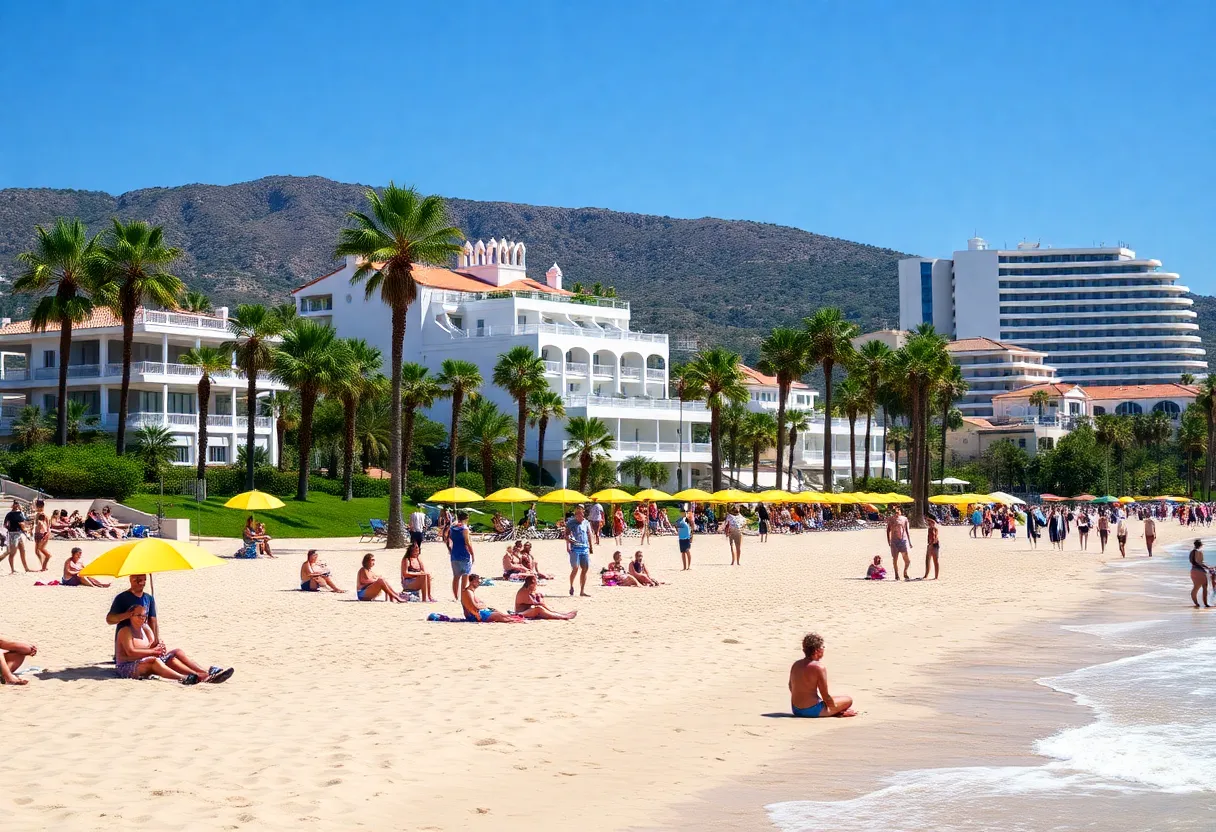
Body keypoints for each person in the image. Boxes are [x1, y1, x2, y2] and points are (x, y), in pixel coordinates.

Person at [106, 576, 234, 683]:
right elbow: (110, 619)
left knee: (173, 655)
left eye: (143, 579)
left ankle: (203, 674)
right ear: (130, 579)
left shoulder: (148, 600)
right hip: (130, 654)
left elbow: (152, 620)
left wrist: (157, 643)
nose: (141, 582)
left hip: (144, 649)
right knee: (154, 660)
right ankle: (190, 677)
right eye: (137, 579)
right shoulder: (122, 603)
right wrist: (127, 615)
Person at [114, 606, 232, 684]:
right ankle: (184, 678)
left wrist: (160, 646)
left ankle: (204, 674)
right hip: (128, 666)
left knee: (176, 653)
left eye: (144, 616)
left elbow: (153, 643)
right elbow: (130, 652)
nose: (142, 618)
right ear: (130, 615)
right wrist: (153, 652)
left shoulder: (145, 628)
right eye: (138, 615)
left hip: (147, 658)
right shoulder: (125, 631)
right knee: (154, 661)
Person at [788, 633, 856, 718]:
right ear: (817, 650)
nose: (824, 649)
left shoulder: (796, 664)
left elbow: (791, 686)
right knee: (848, 700)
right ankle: (834, 712)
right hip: (812, 711)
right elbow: (825, 695)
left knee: (836, 699)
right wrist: (836, 710)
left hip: (796, 710)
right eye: (822, 647)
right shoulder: (819, 667)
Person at [445, 510, 475, 601]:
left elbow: (447, 539)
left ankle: (455, 597)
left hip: (454, 554)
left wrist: (450, 549)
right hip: (464, 554)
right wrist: (472, 554)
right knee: (465, 576)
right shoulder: (465, 528)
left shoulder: (453, 527)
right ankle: (463, 597)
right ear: (467, 518)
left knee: (456, 577)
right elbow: (467, 542)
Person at [566, 504, 593, 597]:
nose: (580, 516)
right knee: (575, 568)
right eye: (578, 514)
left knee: (585, 568)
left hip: (585, 548)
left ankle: (582, 590)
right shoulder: (571, 523)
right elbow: (566, 535)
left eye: (581, 513)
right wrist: (569, 544)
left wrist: (591, 547)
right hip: (575, 548)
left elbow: (589, 534)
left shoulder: (586, 522)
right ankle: (571, 586)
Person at [885, 506, 911, 581]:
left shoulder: (904, 519)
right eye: (895, 510)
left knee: (907, 560)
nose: (896, 511)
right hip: (894, 541)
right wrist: (888, 540)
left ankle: (905, 571)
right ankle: (896, 574)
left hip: (903, 540)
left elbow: (906, 530)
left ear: (900, 511)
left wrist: (909, 542)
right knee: (895, 559)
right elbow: (888, 530)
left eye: (898, 510)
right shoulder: (891, 519)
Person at [4, 500, 30, 572]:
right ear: (13, 505)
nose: (16, 505)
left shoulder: (21, 513)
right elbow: (5, 524)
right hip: (13, 533)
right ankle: (12, 569)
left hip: (19, 533)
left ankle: (26, 568)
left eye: (17, 504)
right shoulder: (9, 514)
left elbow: (25, 521)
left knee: (23, 550)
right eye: (15, 504)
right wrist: (9, 528)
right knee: (13, 552)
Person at [1189, 539, 1211, 608]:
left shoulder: (1192, 552)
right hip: (1200, 571)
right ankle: (1206, 604)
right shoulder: (1200, 552)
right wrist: (1206, 567)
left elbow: (1193, 562)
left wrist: (1206, 567)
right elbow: (1200, 563)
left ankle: (1196, 603)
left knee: (1195, 587)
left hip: (1193, 571)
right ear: (1201, 545)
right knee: (1205, 587)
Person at [923, 515, 940, 580]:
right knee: (929, 560)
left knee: (933, 560)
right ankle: (928, 575)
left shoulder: (933, 529)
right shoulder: (930, 528)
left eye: (929, 522)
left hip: (933, 545)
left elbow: (934, 537)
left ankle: (934, 576)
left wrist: (931, 544)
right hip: (932, 544)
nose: (928, 523)